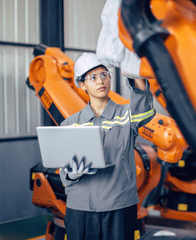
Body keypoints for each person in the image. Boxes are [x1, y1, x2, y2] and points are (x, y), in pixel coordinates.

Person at [59, 52, 155, 240]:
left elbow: (144, 109)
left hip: (118, 205)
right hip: (80, 208)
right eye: (92, 78)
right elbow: (64, 172)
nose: (100, 81)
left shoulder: (127, 116)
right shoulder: (70, 124)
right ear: (82, 84)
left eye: (104, 75)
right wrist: (72, 173)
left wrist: (134, 68)